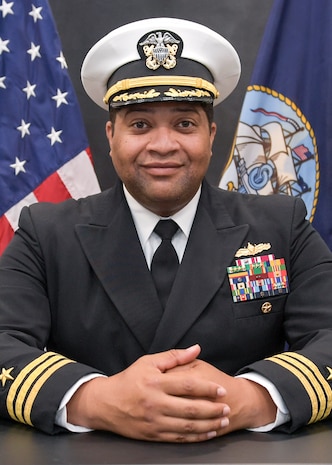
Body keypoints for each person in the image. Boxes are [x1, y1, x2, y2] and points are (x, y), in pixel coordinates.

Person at [0, 17, 332, 443]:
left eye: (184, 124)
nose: (162, 144)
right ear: (111, 135)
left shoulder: (282, 225)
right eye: (139, 125)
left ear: (212, 135)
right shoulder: (46, 233)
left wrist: (248, 398)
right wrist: (97, 400)